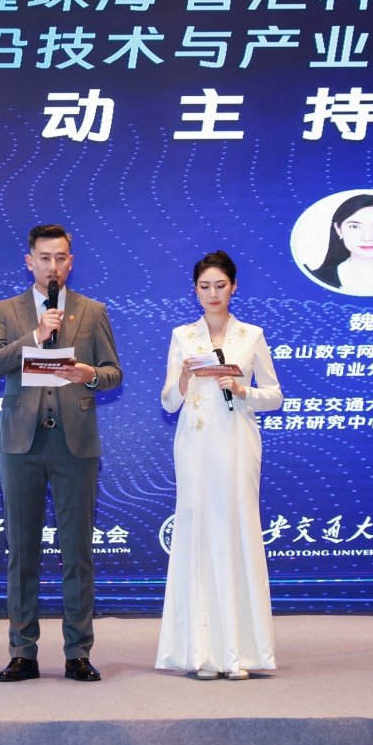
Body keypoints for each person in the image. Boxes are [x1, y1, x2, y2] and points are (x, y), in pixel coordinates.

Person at [0, 224, 123, 683]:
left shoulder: (92, 311)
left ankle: (78, 652)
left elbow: (114, 372)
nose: (53, 266)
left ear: (71, 261)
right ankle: (23, 653)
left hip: (74, 444)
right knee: (22, 553)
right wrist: (35, 337)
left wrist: (89, 374)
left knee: (77, 552)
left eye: (61, 257)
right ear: (29, 262)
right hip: (20, 444)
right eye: (44, 258)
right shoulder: (6, 310)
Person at [155, 250, 282, 680]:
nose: (213, 293)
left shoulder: (251, 335)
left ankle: (239, 652)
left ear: (234, 287)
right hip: (195, 442)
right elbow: (168, 402)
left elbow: (275, 396)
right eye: (204, 286)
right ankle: (201, 652)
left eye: (220, 285)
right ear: (195, 290)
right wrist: (185, 376)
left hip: (237, 441)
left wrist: (244, 390)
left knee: (236, 531)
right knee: (198, 532)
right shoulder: (182, 336)